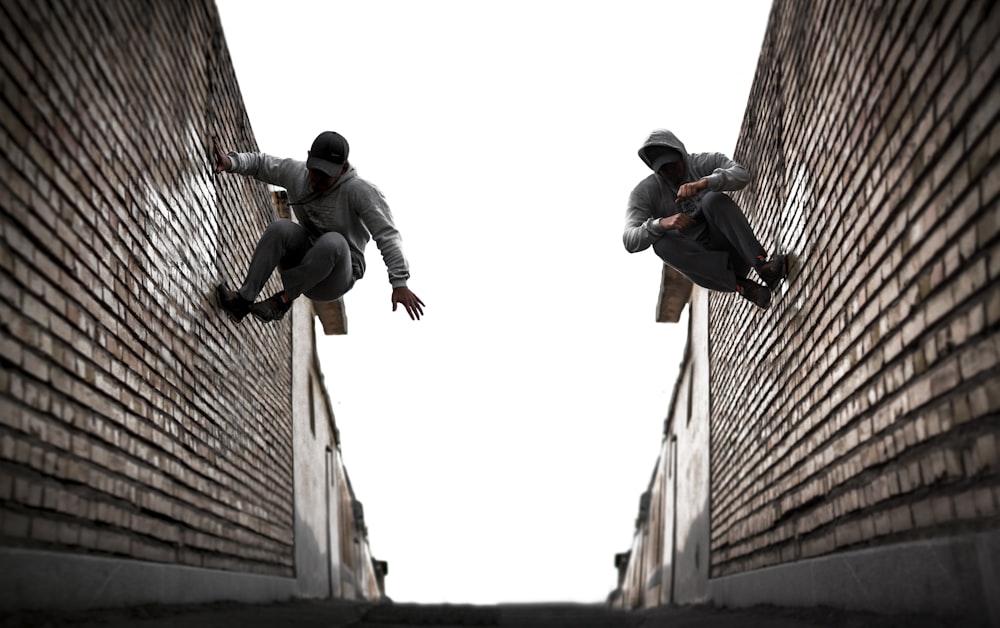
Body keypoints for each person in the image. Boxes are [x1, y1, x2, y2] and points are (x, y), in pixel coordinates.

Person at [209, 131, 425, 322]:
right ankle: (242, 301)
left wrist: (399, 282)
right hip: (303, 259)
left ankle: (282, 301)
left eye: (327, 175)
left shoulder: (361, 192)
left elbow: (387, 235)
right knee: (281, 228)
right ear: (309, 156)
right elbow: (261, 163)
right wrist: (231, 162)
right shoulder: (297, 173)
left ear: (342, 170)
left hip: (335, 276)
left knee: (334, 242)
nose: (318, 179)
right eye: (315, 171)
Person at [623, 129, 787, 309]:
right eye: (664, 170)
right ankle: (744, 286)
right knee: (661, 244)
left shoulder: (702, 163)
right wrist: (661, 223)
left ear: (681, 155)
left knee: (712, 199)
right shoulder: (646, 192)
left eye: (673, 165)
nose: (671, 173)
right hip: (713, 269)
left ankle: (762, 266)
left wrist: (705, 183)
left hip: (734, 249)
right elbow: (629, 240)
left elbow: (742, 175)